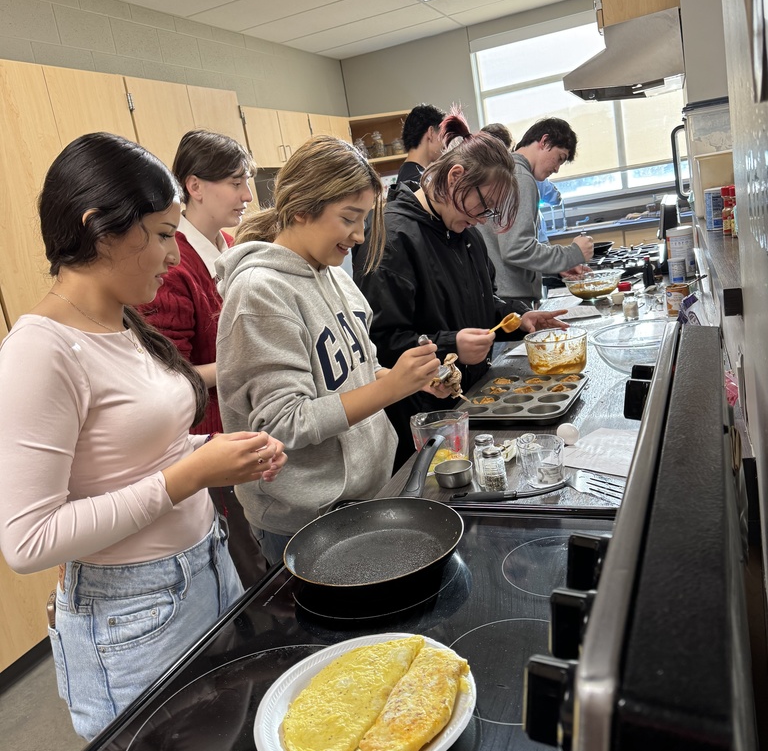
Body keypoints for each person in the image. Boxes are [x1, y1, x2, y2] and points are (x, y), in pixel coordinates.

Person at [0, 132, 286, 741]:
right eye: (160, 234)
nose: (174, 256)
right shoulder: (38, 350)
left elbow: (138, 452)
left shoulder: (125, 323)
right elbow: (28, 540)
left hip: (207, 569)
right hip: (133, 611)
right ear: (99, 228)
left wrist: (210, 452)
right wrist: (189, 475)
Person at [215, 135, 445, 565]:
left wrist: (407, 379)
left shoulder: (335, 276)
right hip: (304, 519)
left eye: (363, 220)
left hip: (364, 493)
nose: (359, 236)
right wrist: (391, 389)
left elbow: (361, 372)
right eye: (349, 218)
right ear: (303, 207)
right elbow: (283, 423)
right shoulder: (259, 293)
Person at [353, 107, 569, 469]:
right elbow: (381, 342)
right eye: (482, 207)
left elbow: (480, 301)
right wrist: (450, 345)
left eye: (489, 214)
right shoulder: (393, 236)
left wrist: (516, 317)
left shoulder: (464, 232)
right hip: (424, 420)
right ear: (455, 177)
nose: (480, 220)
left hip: (469, 402)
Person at [139, 129, 256, 436]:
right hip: (209, 432)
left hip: (249, 419)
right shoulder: (172, 267)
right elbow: (169, 373)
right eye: (236, 183)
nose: (247, 195)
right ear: (195, 186)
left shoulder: (234, 246)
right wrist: (250, 364)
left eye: (247, 182)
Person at [478, 117, 593, 308]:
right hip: (510, 299)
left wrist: (559, 267)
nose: (556, 169)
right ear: (544, 141)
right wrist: (572, 254)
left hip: (503, 296)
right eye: (559, 158)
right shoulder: (521, 177)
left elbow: (511, 245)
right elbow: (516, 249)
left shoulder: (510, 170)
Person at [392, 103, 445, 196]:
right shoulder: (413, 180)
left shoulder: (412, 174)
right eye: (443, 135)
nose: (445, 144)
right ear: (431, 132)